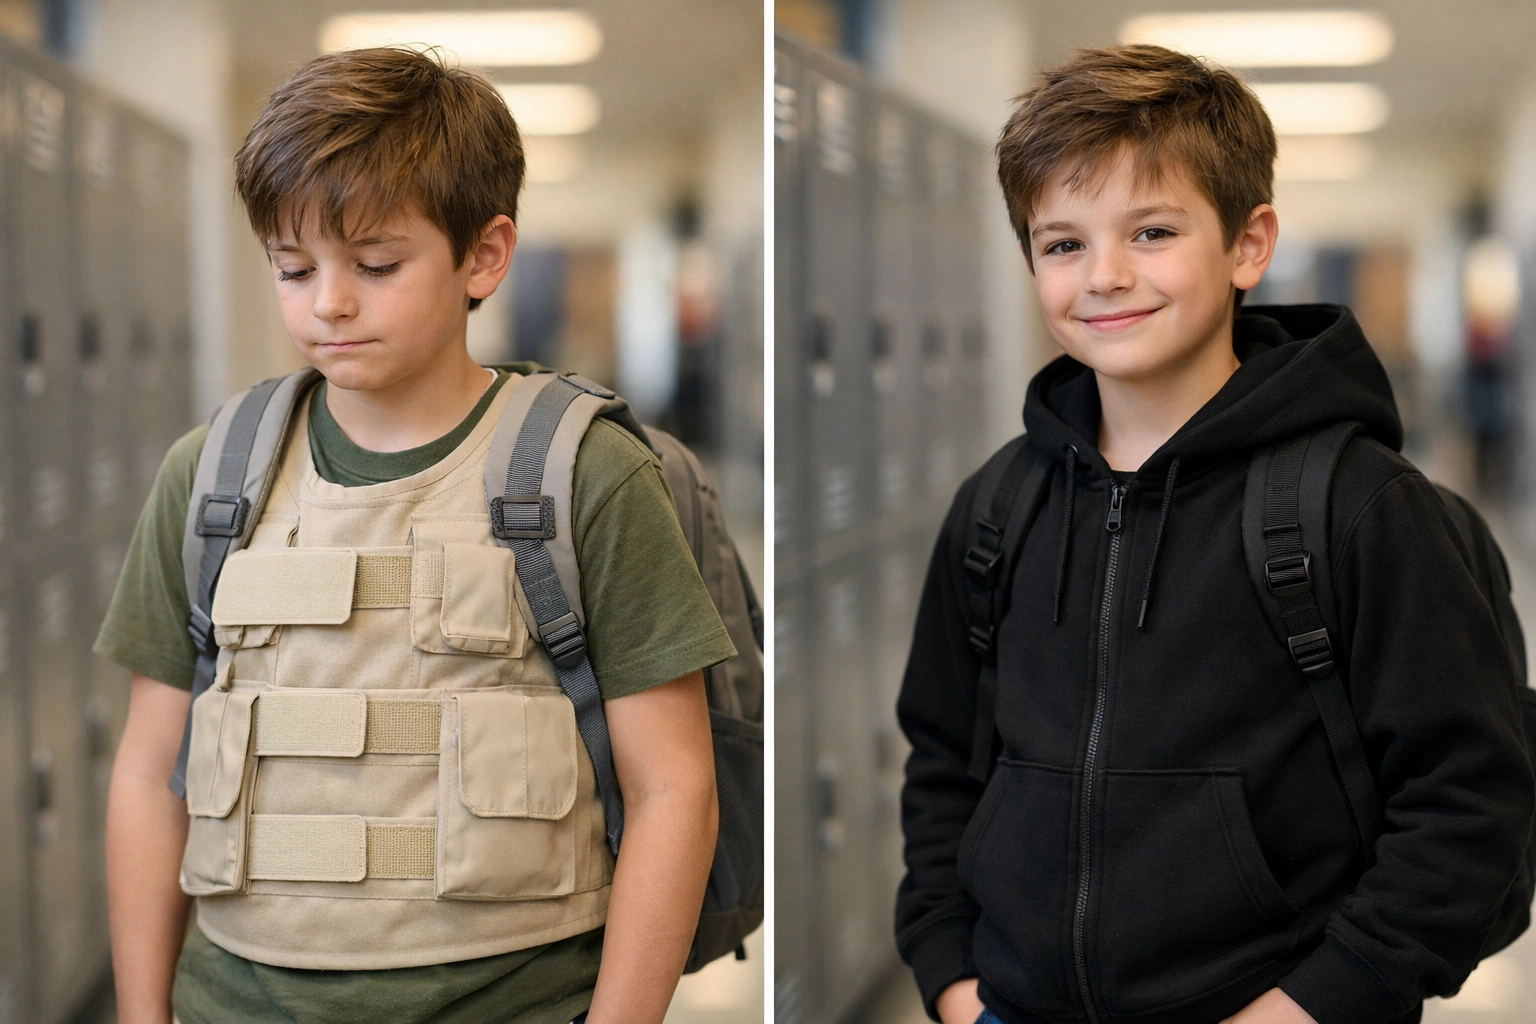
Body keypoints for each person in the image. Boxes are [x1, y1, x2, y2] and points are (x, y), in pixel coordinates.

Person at [894, 45, 1535, 1024]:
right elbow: (943, 763)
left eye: (1151, 232)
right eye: (1062, 244)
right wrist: (951, 976)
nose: (1104, 276)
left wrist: (1315, 1003)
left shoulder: (1364, 509)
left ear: (1249, 243)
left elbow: (1471, 804)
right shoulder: (998, 508)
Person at [98, 47, 735, 1024]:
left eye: (377, 264)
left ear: (484, 254)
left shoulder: (584, 475)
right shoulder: (210, 476)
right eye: (293, 267)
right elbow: (149, 774)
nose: (329, 303)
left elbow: (673, 790)